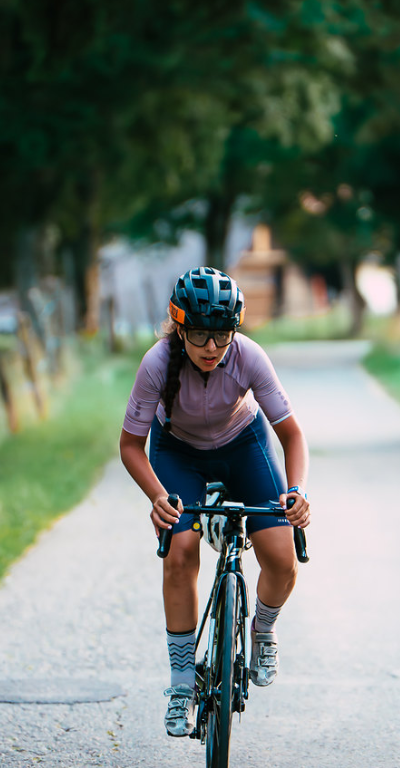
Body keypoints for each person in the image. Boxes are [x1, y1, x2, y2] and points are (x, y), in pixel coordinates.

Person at [118, 266, 312, 737]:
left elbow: (292, 435)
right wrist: (160, 497)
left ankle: (262, 630)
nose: (211, 347)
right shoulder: (157, 364)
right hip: (178, 450)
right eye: (201, 334)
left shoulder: (249, 358)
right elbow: (130, 446)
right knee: (180, 554)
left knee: (282, 560)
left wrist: (297, 491)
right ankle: (183, 685)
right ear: (180, 326)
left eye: (221, 335)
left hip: (243, 445)